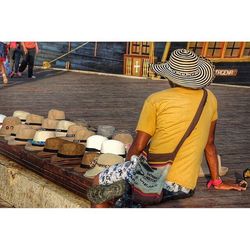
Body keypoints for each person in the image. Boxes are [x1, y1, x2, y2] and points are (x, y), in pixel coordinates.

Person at [87, 49, 246, 208]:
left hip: (153, 177)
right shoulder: (209, 98)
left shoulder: (156, 100)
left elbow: (139, 145)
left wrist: (130, 175)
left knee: (98, 184)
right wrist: (217, 181)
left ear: (170, 75)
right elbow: (209, 144)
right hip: (185, 187)